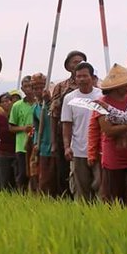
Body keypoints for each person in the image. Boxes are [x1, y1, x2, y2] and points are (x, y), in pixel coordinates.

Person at [87, 64, 127, 204]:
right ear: (117, 86)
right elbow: (108, 130)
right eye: (125, 83)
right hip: (113, 156)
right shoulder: (103, 103)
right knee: (113, 195)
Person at [61, 62, 103, 201]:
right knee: (81, 189)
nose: (82, 79)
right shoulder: (69, 98)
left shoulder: (101, 96)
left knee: (100, 187)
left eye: (85, 76)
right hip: (78, 150)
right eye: (78, 76)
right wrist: (67, 147)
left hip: (99, 150)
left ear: (92, 77)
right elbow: (67, 125)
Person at [50, 51, 87, 197]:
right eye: (75, 61)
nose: (78, 64)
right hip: (64, 133)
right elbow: (53, 114)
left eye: (81, 61)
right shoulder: (61, 87)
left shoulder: (93, 84)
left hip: (85, 132)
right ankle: (65, 198)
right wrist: (53, 141)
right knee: (64, 170)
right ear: (68, 66)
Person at [30, 73, 57, 196]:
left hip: (55, 145)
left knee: (55, 178)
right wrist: (36, 143)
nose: (39, 91)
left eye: (41, 87)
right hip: (43, 147)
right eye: (36, 88)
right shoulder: (35, 108)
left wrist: (49, 101)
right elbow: (36, 128)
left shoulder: (52, 103)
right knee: (43, 179)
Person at [9, 75, 35, 191]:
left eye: (31, 86)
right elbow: (11, 127)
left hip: (36, 144)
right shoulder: (16, 106)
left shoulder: (40, 104)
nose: (29, 89)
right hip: (21, 146)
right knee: (23, 174)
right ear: (22, 89)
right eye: (26, 86)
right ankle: (21, 196)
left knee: (35, 172)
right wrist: (23, 128)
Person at [0, 92, 17, 190]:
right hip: (3, 152)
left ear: (11, 102)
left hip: (16, 150)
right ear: (0, 104)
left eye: (7, 101)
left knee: (16, 178)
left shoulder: (16, 115)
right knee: (4, 179)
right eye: (3, 102)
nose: (6, 103)